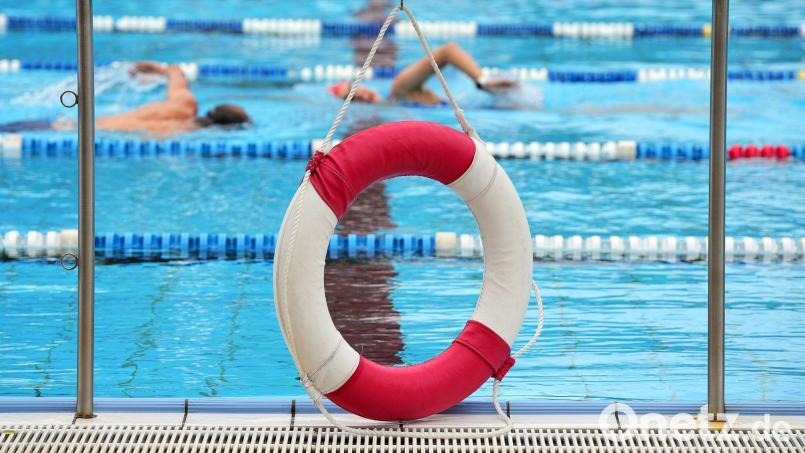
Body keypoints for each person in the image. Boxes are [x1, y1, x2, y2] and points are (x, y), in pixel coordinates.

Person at [0, 62, 251, 135]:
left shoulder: (184, 103)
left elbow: (176, 70)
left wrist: (154, 69)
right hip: (67, 132)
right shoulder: (180, 132)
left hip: (61, 124)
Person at [328, 42, 518, 106]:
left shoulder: (399, 88)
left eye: (354, 89)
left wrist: (482, 81)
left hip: (493, 100)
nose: (359, 95)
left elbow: (447, 51)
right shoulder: (395, 102)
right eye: (351, 99)